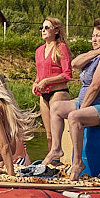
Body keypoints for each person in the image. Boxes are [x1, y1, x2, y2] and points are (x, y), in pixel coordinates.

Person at [41, 19, 100, 180]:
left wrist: (81, 110)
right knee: (56, 108)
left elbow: (95, 87)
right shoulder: (98, 55)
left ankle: (77, 163)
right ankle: (56, 149)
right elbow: (74, 63)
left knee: (75, 117)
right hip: (92, 104)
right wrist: (96, 51)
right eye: (92, 36)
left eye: (98, 36)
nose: (93, 39)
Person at [32, 17, 73, 146]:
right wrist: (36, 83)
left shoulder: (61, 48)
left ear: (56, 30)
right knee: (48, 134)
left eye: (46, 28)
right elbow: (39, 74)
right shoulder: (39, 51)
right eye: (41, 28)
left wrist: (47, 81)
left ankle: (58, 158)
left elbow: (67, 74)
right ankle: (52, 161)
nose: (43, 30)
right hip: (43, 94)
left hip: (58, 92)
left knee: (56, 134)